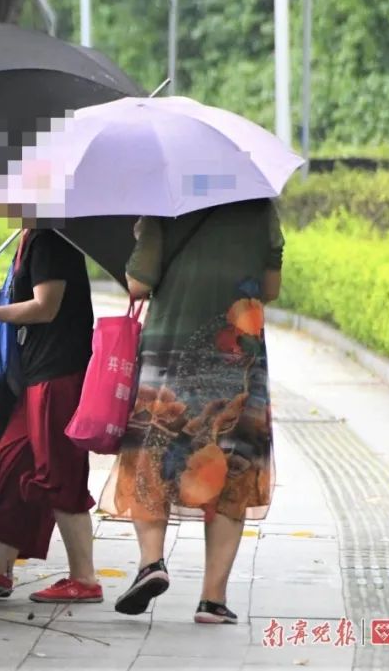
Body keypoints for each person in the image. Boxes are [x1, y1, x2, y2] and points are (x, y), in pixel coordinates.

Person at [101, 199, 284, 624]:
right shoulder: (260, 210)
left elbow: (138, 284)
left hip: (170, 351)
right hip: (238, 355)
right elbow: (270, 288)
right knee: (232, 466)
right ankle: (212, 600)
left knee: (152, 454)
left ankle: (152, 563)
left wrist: (143, 233)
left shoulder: (164, 203)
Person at [0, 226, 101, 603]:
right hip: (37, 371)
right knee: (13, 461)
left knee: (58, 471)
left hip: (57, 371)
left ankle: (85, 579)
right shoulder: (30, 237)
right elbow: (30, 298)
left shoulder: (51, 238)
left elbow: (45, 308)